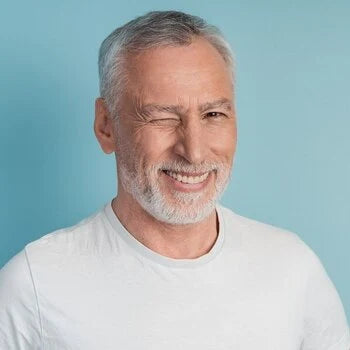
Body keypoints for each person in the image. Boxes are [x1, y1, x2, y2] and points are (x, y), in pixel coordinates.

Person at [0, 10, 349, 350]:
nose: (194, 153)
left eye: (213, 114)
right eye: (163, 118)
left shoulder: (291, 268)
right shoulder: (34, 286)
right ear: (106, 126)